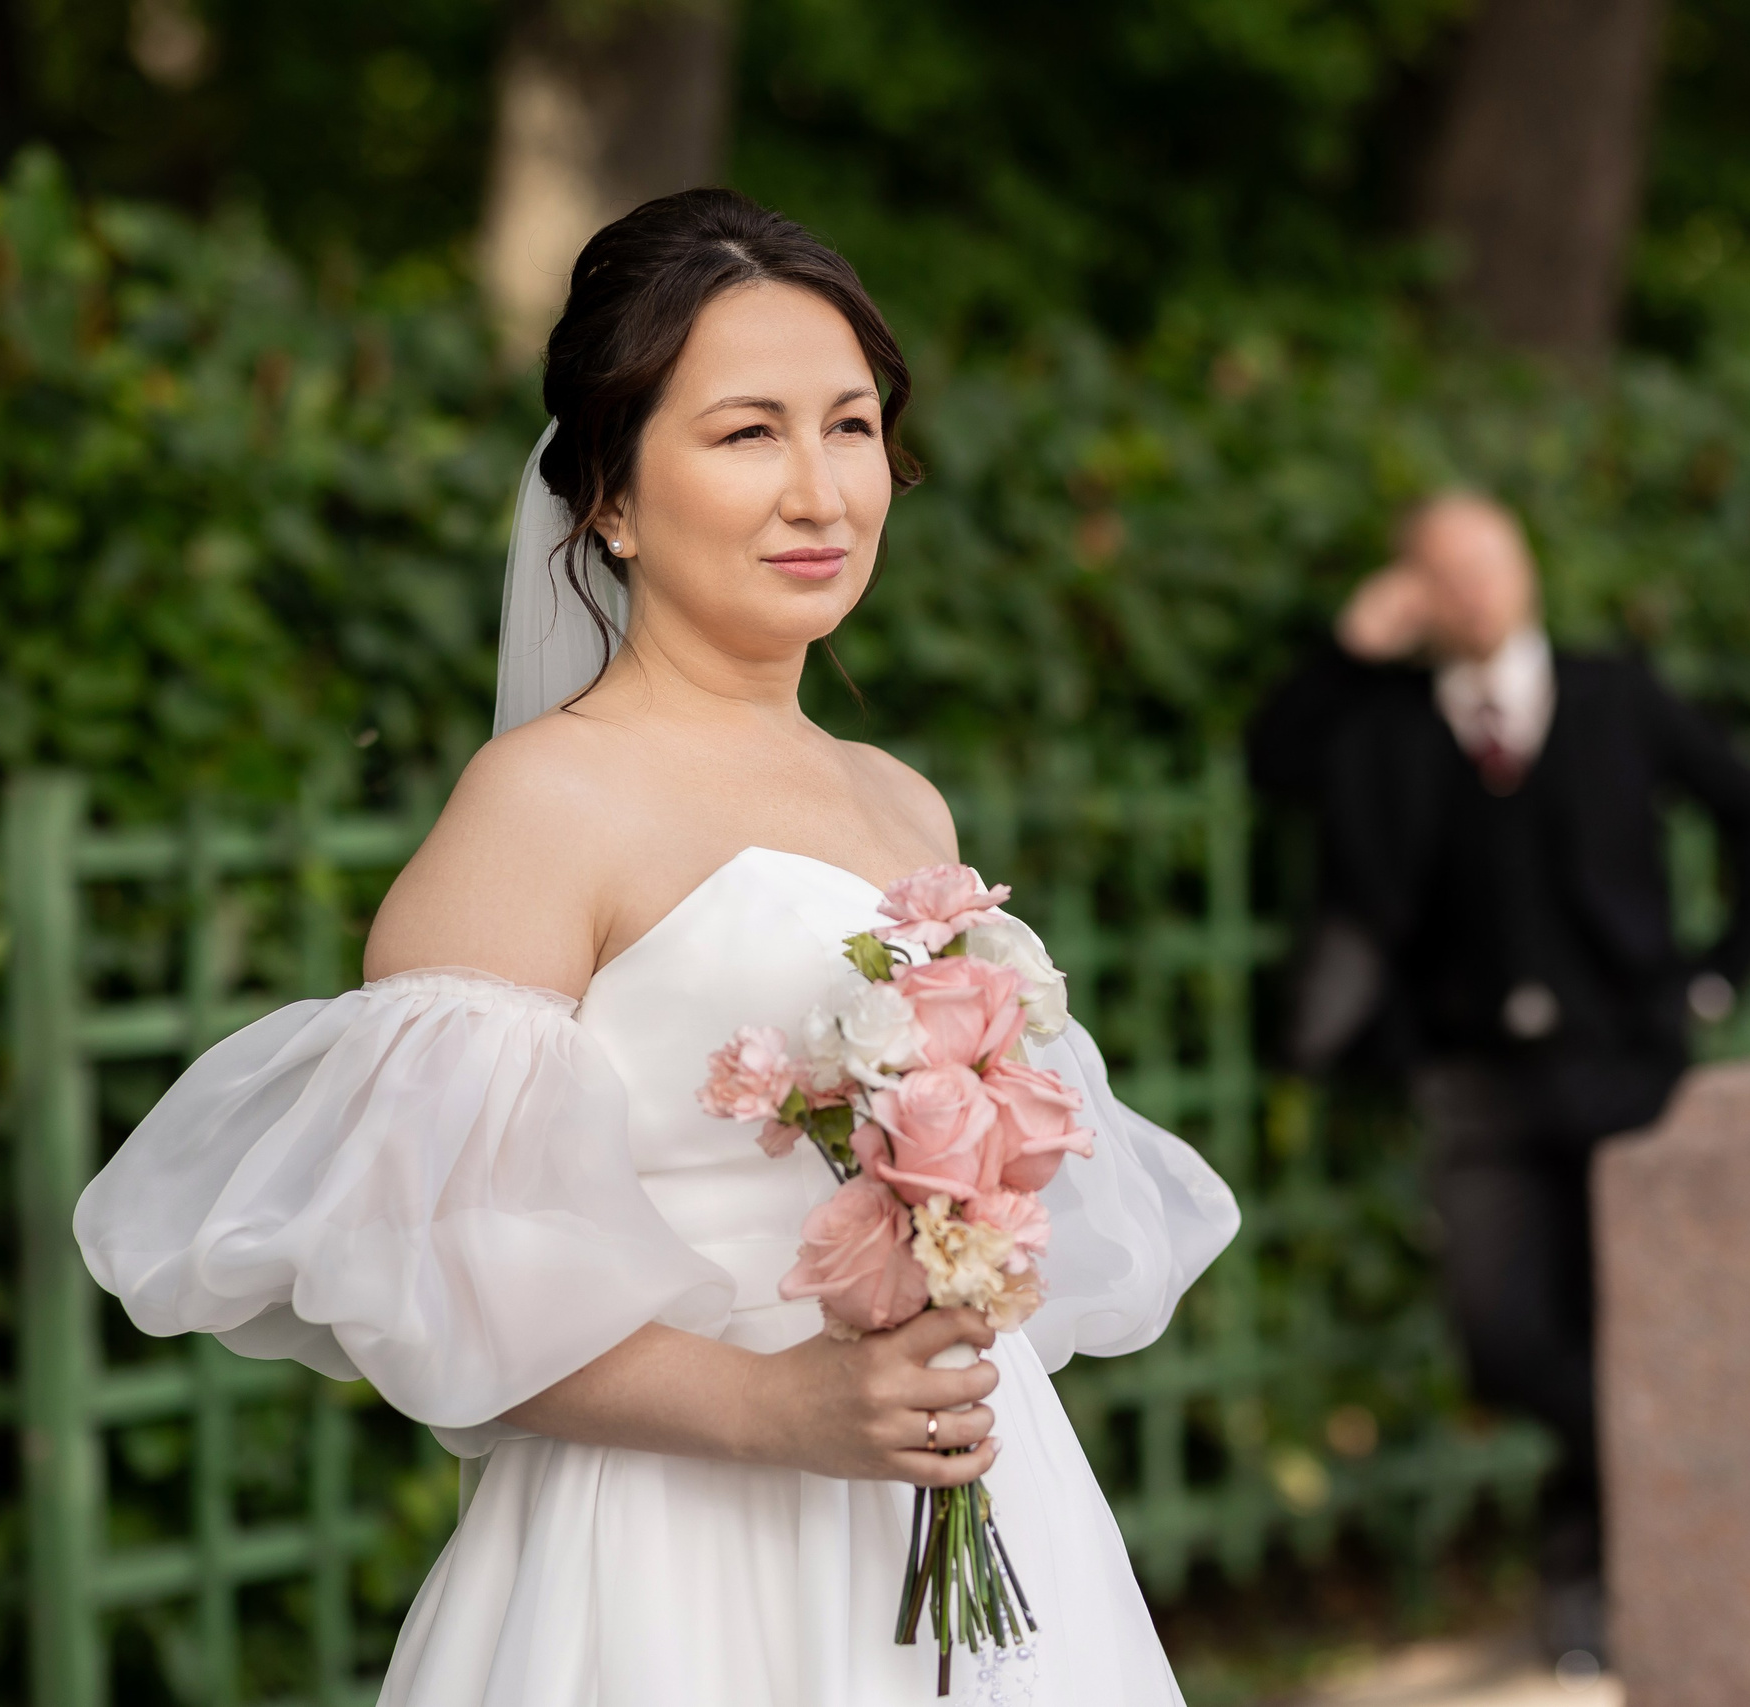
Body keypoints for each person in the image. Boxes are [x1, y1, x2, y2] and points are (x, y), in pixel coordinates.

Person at [73, 189, 1238, 1705]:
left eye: (851, 426)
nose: (820, 492)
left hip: (968, 1508)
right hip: (676, 1557)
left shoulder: (901, 798)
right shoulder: (544, 802)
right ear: (609, 497)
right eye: (749, 434)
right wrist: (775, 1407)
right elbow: (436, 1254)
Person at [1244, 493, 1750, 1667]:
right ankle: (1673, 1485)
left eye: (1492, 564)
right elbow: (1272, 764)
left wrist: (1717, 978)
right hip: (1471, 1081)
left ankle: (1586, 1592)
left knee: (1625, 1322)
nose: (1477, 591)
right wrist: (1347, 649)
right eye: (1447, 573)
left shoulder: (1614, 695)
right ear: (1415, 595)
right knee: (1503, 1338)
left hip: (1626, 1068)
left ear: (1528, 571)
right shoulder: (1385, 724)